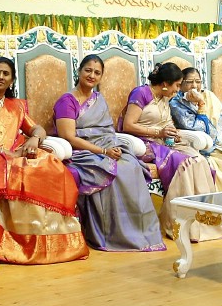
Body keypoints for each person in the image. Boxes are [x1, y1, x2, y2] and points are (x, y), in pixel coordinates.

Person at [0, 57, 89, 264]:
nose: (0, 77)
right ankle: (11, 244)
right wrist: (5, 153)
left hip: (17, 154)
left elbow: (36, 128)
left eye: (6, 74)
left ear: (12, 80)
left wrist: (35, 139)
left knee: (52, 169)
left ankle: (45, 244)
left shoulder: (17, 105)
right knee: (13, 177)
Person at [53, 54, 165, 251]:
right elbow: (69, 137)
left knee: (130, 164)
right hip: (82, 151)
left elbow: (107, 130)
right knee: (113, 169)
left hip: (106, 145)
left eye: (97, 72)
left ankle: (140, 231)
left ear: (101, 77)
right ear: (79, 72)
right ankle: (109, 233)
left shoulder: (99, 99)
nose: (92, 75)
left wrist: (111, 147)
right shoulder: (67, 101)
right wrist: (103, 150)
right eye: (88, 70)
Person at [121, 62, 222, 241]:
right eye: (177, 85)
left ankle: (202, 224)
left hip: (164, 142)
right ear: (165, 84)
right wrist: (158, 133)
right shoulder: (141, 93)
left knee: (200, 161)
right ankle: (178, 224)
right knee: (187, 163)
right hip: (144, 143)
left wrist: (172, 133)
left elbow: (165, 123)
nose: (178, 89)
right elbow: (128, 125)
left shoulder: (164, 97)